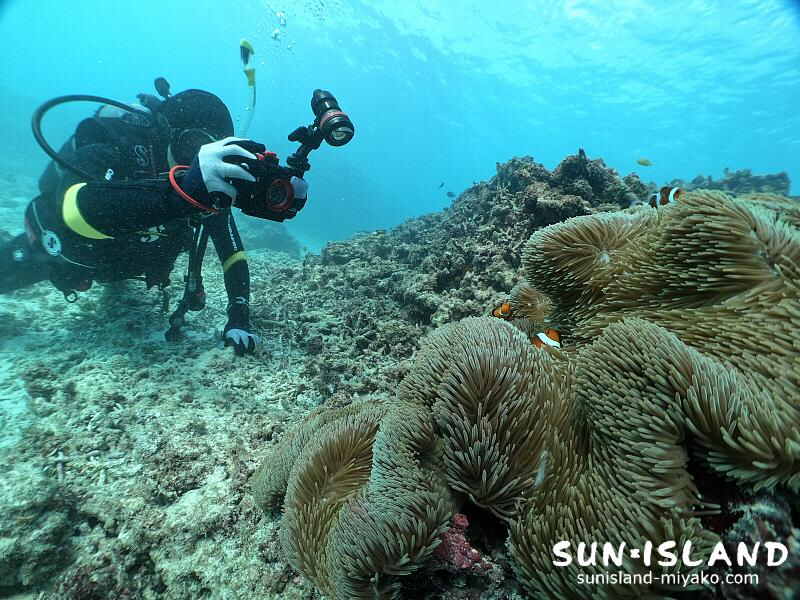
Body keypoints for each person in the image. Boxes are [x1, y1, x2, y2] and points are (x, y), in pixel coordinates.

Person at [0, 87, 308, 356]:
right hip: (64, 256)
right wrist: (178, 196)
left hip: (122, 264)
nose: (194, 161)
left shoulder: (204, 186)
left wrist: (238, 318)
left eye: (207, 150)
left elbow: (233, 254)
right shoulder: (116, 146)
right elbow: (74, 212)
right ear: (166, 134)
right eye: (191, 146)